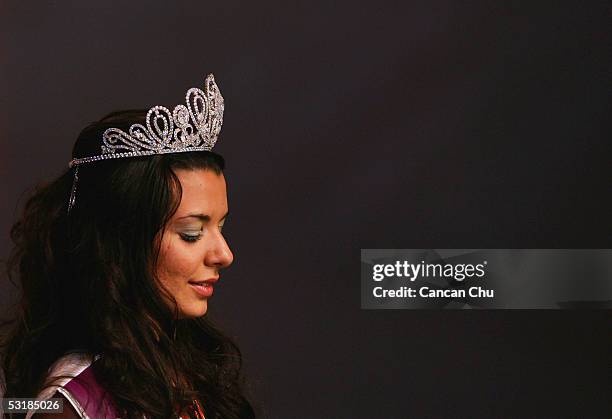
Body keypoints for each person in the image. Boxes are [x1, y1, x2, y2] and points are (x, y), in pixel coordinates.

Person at [0, 74, 255, 418]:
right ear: (121, 244)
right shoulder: (73, 404)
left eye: (220, 227)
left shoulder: (180, 363)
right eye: (192, 233)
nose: (224, 255)